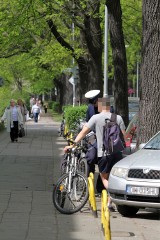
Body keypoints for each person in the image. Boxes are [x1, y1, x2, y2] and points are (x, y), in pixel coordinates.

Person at [64, 97, 126, 210]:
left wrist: (72, 144)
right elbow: (124, 136)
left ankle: (112, 194)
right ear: (109, 106)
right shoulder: (118, 118)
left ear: (101, 106)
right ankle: (109, 202)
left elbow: (83, 132)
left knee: (104, 178)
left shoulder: (96, 118)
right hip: (117, 153)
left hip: (104, 153)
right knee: (114, 177)